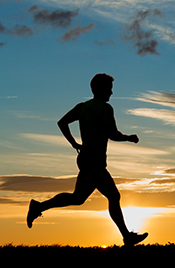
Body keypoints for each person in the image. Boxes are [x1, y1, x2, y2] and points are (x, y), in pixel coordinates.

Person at [26, 73, 148, 246]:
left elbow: (62, 122)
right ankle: (127, 237)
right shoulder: (105, 108)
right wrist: (129, 138)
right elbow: (113, 134)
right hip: (95, 160)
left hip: (86, 157)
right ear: (101, 89)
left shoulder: (82, 107)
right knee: (103, 197)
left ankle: (38, 207)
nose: (111, 93)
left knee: (88, 197)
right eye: (109, 88)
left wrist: (74, 143)